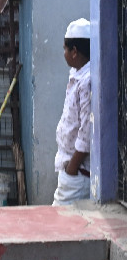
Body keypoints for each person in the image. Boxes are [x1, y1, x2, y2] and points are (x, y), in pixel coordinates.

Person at [53, 18, 92, 205]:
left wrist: (73, 167)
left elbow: (87, 130)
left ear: (74, 52)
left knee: (55, 227)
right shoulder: (78, 74)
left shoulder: (87, 81)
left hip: (77, 174)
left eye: (65, 49)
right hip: (71, 169)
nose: (64, 53)